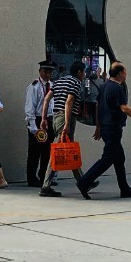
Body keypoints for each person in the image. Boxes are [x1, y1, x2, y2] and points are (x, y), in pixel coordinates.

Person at [76, 61, 131, 199]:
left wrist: (98, 126)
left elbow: (98, 106)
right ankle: (84, 182)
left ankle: (125, 189)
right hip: (113, 128)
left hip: (106, 127)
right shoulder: (117, 88)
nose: (126, 74)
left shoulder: (104, 86)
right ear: (119, 73)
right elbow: (124, 108)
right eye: (125, 72)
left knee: (119, 158)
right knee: (107, 159)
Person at [38, 60, 95, 197]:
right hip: (66, 118)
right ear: (79, 72)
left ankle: (83, 182)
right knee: (58, 151)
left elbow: (46, 99)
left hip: (56, 117)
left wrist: (44, 118)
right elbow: (69, 101)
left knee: (69, 149)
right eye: (83, 72)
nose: (84, 75)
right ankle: (46, 186)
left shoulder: (59, 81)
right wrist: (67, 124)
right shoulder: (75, 83)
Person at [23, 60, 56, 187]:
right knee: (34, 151)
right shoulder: (34, 87)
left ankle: (44, 177)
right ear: (40, 71)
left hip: (49, 120)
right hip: (37, 120)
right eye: (45, 71)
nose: (47, 75)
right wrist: (32, 126)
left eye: (50, 72)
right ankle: (31, 178)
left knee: (47, 151)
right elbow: (30, 107)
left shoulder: (52, 85)